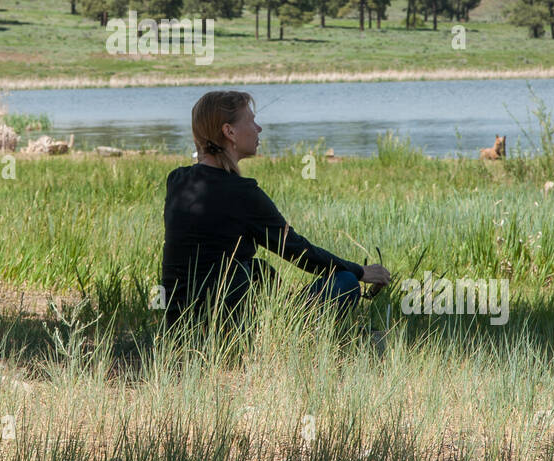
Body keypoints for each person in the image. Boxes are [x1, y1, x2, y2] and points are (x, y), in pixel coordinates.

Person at [160, 89, 391, 335]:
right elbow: (298, 251)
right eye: (251, 121)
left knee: (260, 271)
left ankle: (276, 324)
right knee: (344, 282)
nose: (258, 128)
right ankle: (289, 337)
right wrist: (360, 271)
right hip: (227, 327)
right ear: (229, 132)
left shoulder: (177, 180)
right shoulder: (243, 193)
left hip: (178, 325)